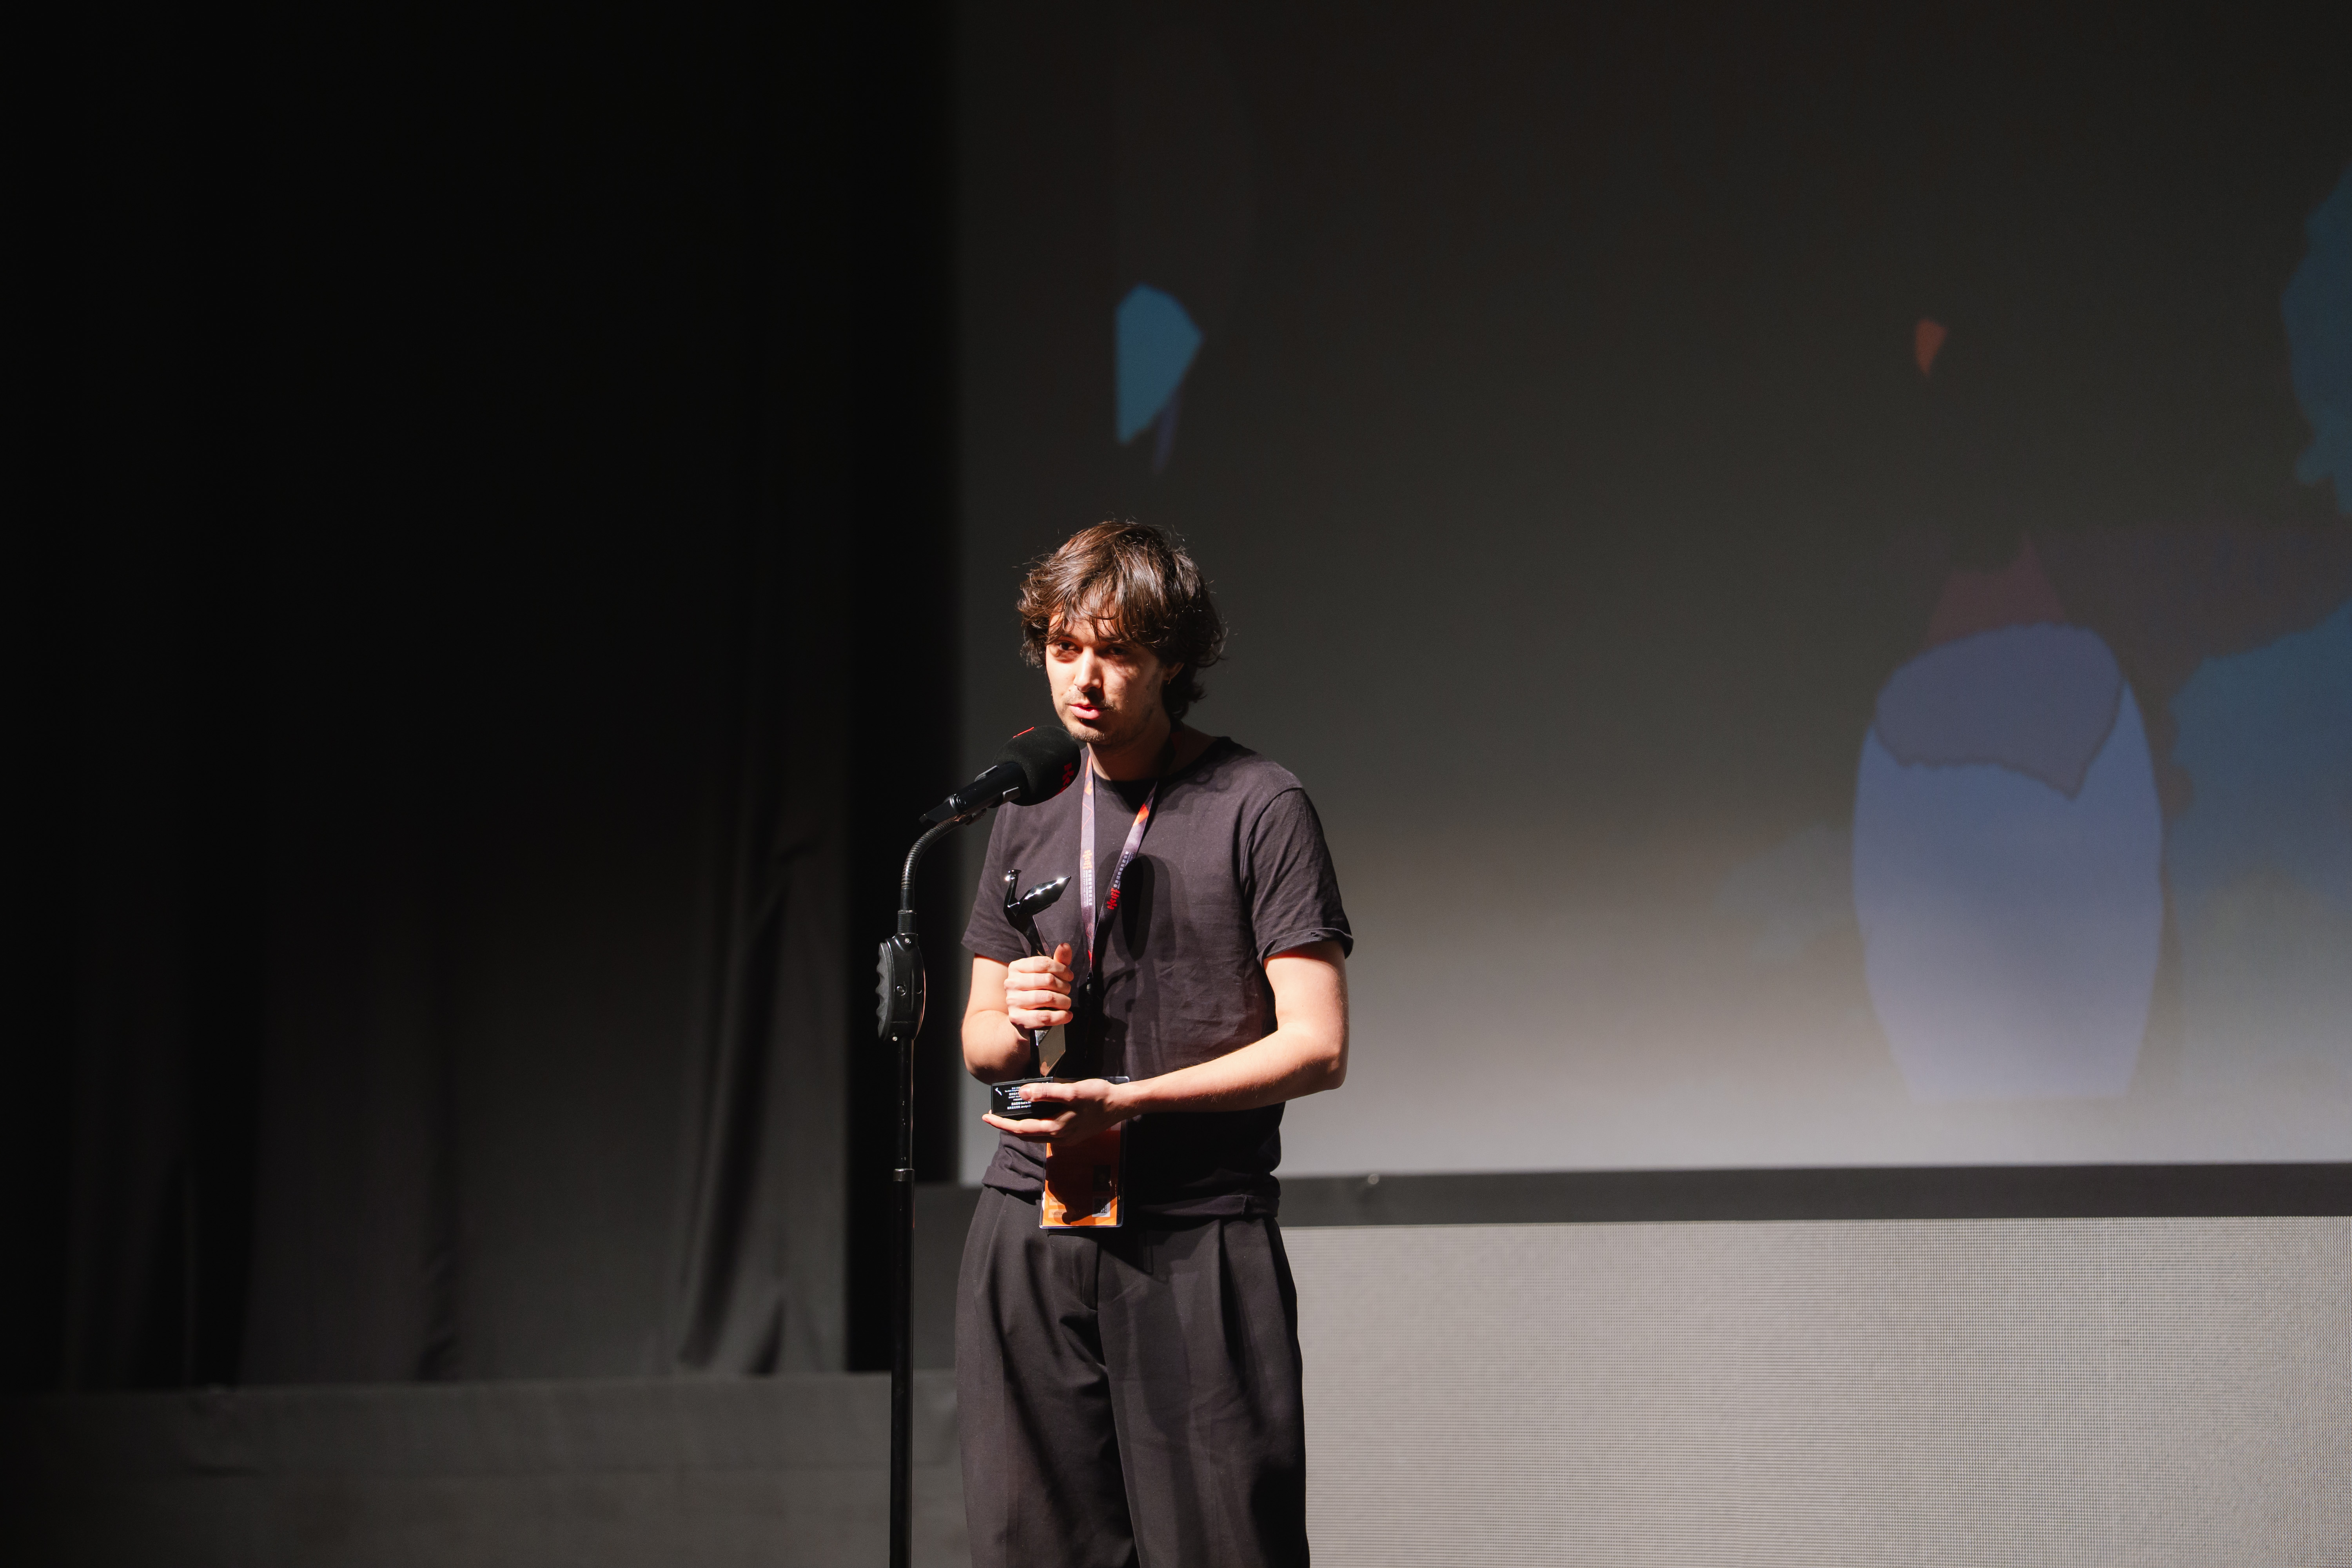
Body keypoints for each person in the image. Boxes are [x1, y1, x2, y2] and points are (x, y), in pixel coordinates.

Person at [956, 520, 1352, 1568]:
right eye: (1063, 648)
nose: (1083, 679)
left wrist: (1130, 1101)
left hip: (1195, 1229)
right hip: (1033, 1221)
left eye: (1116, 652)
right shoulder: (1027, 805)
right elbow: (981, 1041)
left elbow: (1318, 1045)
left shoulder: (1258, 802)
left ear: (1172, 658)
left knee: (1222, 1545)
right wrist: (1017, 1019)